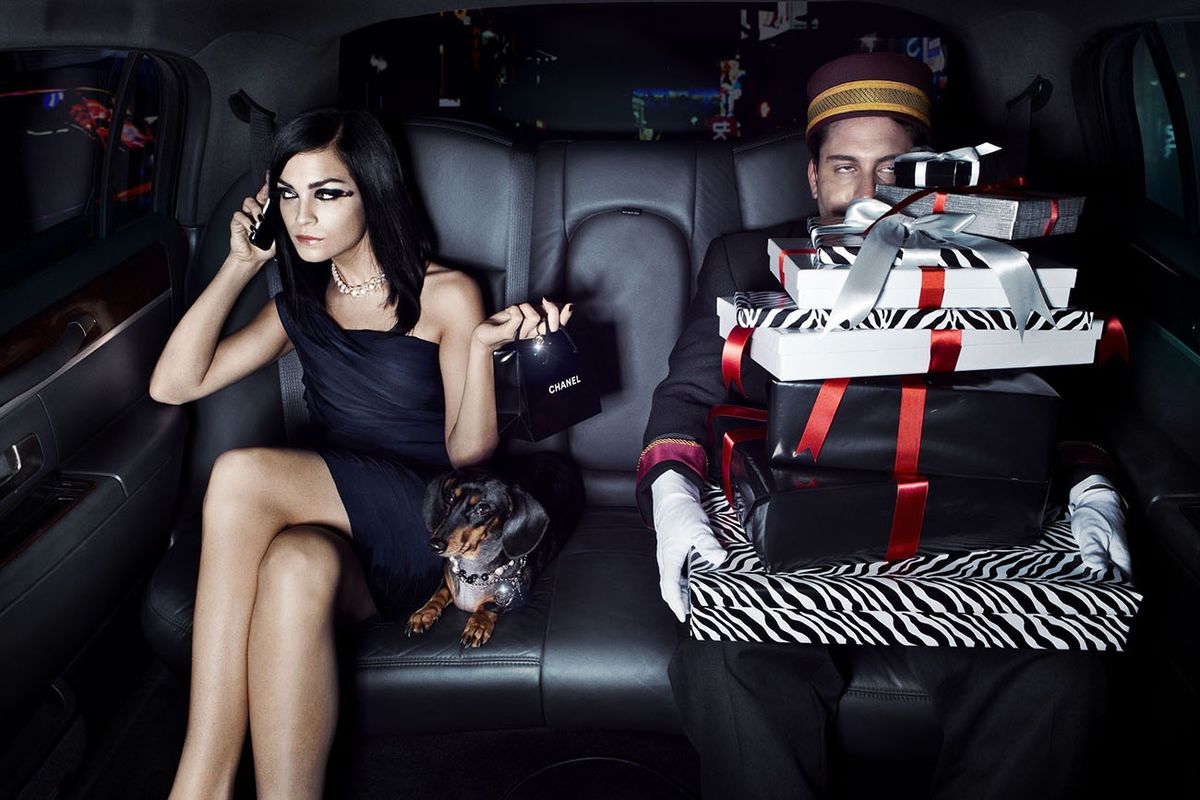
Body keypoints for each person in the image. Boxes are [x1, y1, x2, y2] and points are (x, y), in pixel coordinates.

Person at [637, 52, 1128, 799]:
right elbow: (686, 394)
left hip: (962, 538)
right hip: (790, 536)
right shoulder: (744, 260)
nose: (868, 195)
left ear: (931, 177)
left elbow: (1058, 398)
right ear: (813, 177)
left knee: (1061, 672)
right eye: (845, 168)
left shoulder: (993, 270)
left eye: (892, 172)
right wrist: (674, 503)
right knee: (723, 659)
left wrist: (1094, 493)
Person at [149, 108, 571, 800]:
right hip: (338, 532)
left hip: (421, 522)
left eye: (327, 193)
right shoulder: (299, 306)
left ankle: (201, 783)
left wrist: (479, 349)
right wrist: (239, 265)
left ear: (372, 192)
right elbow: (173, 384)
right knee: (294, 566)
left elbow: (468, 454)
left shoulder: (446, 294)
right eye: (288, 195)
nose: (301, 216)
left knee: (240, 474)